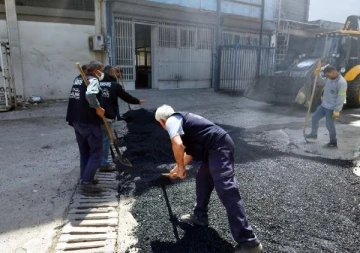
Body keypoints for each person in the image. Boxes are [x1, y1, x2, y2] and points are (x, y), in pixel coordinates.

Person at [155, 105, 263, 253]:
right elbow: (190, 152)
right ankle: (199, 216)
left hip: (219, 147)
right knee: (202, 179)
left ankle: (250, 242)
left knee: (226, 189)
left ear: (162, 122)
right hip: (212, 151)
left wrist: (181, 168)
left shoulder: (172, 121)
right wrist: (177, 168)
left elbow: (177, 144)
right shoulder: (183, 121)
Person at [66, 60, 105, 193]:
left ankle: (85, 177)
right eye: (101, 70)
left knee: (85, 152)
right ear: (96, 71)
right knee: (96, 153)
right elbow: (89, 94)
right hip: (89, 122)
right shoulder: (93, 80)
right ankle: (87, 182)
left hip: (76, 120)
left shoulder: (78, 79)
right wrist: (98, 107)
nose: (102, 73)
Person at [99, 65, 146, 171]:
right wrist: (137, 101)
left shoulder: (97, 83)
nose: (116, 74)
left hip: (96, 115)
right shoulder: (115, 85)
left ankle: (96, 160)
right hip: (107, 116)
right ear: (111, 73)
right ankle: (103, 163)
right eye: (114, 73)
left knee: (99, 139)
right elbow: (126, 96)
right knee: (105, 140)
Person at [305, 65, 347, 148]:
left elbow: (341, 97)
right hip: (324, 105)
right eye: (326, 76)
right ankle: (313, 134)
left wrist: (337, 110)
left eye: (328, 75)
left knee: (329, 125)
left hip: (332, 108)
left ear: (334, 72)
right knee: (315, 118)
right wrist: (317, 75)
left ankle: (333, 142)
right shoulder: (329, 78)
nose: (327, 77)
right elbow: (323, 81)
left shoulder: (341, 83)